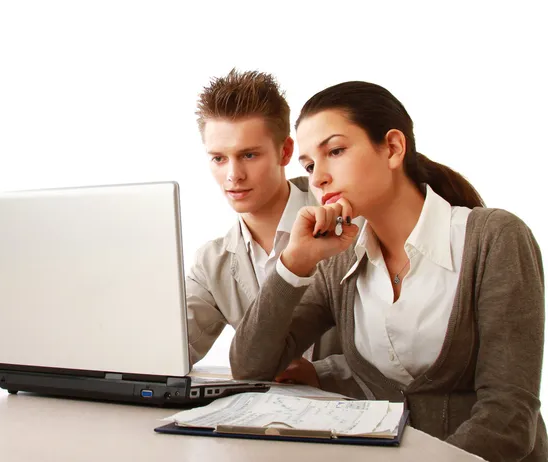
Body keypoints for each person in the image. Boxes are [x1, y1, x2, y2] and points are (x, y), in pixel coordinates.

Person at [229, 80, 547, 461]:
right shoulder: (339, 260)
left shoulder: (493, 238)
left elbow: (508, 420)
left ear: (393, 148)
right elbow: (250, 365)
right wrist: (295, 263)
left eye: (336, 151)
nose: (318, 178)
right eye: (310, 165)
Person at [186, 69, 346, 383]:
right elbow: (166, 352)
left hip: (360, 415)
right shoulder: (212, 263)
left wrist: (324, 373)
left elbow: (399, 352)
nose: (233, 175)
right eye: (219, 158)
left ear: (285, 151)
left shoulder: (345, 218)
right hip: (262, 422)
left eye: (248, 155)